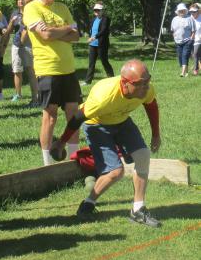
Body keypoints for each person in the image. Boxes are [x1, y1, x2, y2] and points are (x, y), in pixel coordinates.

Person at [51, 59, 161, 227]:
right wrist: (61, 143)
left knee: (143, 155)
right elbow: (77, 118)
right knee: (115, 172)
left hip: (122, 121)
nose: (146, 87)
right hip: (97, 125)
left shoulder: (146, 89)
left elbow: (151, 106)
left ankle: (138, 210)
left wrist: (156, 135)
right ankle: (88, 203)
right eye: (140, 83)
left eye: (148, 81)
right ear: (125, 83)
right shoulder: (104, 96)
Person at [23, 0, 82, 166]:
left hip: (69, 69)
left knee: (74, 115)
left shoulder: (62, 8)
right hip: (48, 69)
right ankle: (47, 163)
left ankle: (75, 159)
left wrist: (56, 32)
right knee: (50, 116)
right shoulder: (31, 8)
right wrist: (65, 30)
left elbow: (76, 36)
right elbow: (45, 34)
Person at [10, 0, 38, 106]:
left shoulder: (30, 12)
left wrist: (21, 43)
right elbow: (11, 29)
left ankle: (36, 99)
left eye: (24, 0)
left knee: (30, 71)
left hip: (26, 45)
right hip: (18, 44)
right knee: (17, 70)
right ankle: (19, 94)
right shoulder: (15, 13)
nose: (21, 1)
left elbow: (26, 30)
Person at [81, 2, 114, 86]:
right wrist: (89, 34)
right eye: (95, 10)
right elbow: (92, 29)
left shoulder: (106, 19)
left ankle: (111, 78)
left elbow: (103, 30)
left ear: (102, 11)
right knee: (91, 63)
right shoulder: (93, 19)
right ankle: (88, 81)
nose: (96, 12)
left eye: (98, 10)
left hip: (101, 44)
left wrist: (93, 37)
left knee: (104, 61)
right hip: (93, 45)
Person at [170, 3, 195, 77]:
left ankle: (183, 73)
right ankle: (186, 71)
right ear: (177, 11)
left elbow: (193, 30)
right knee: (180, 57)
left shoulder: (189, 18)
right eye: (180, 11)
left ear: (185, 11)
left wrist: (191, 39)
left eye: (183, 10)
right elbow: (172, 30)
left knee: (185, 55)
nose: (181, 12)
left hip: (187, 41)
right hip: (178, 41)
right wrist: (174, 37)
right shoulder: (174, 19)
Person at [189, 4, 201, 75]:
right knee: (195, 54)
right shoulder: (190, 18)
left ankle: (195, 69)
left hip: (199, 39)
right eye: (191, 12)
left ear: (198, 11)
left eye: (194, 12)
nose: (192, 13)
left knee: (196, 54)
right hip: (192, 39)